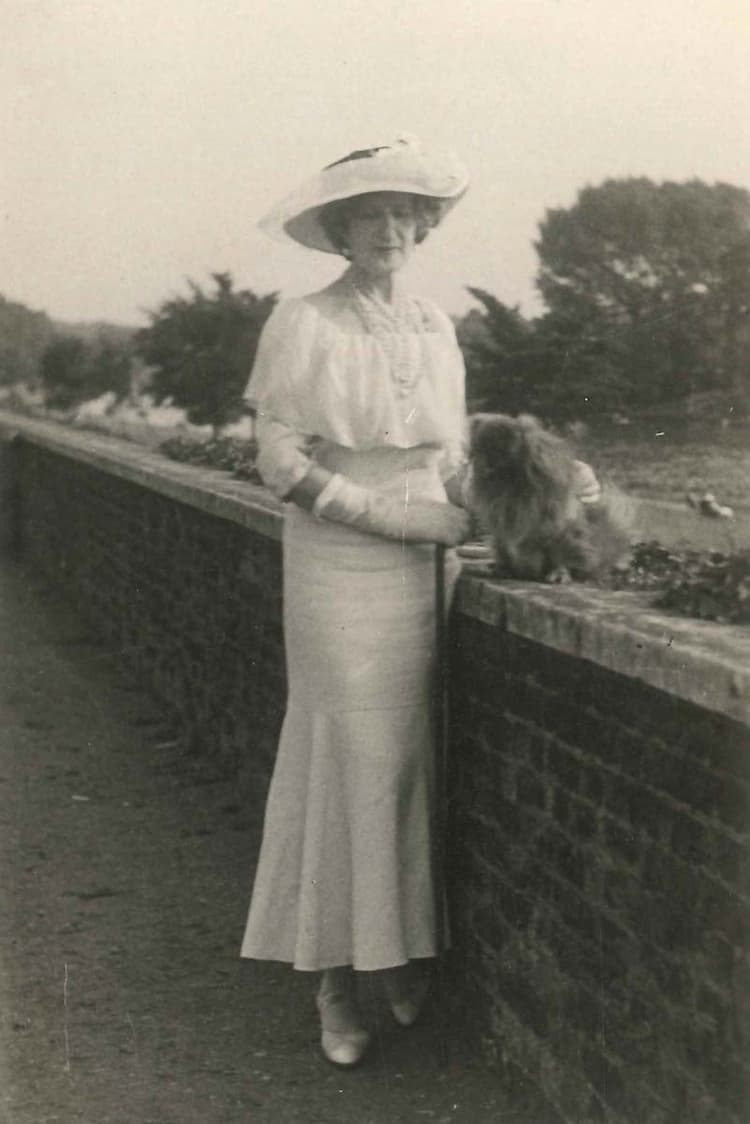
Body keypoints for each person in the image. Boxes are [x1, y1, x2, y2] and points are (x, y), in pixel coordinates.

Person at [239, 137, 472, 1068]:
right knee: (351, 759)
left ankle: (399, 949)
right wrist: (388, 515)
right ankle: (336, 980)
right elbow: (280, 461)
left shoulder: (438, 327)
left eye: (403, 214)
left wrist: (525, 490)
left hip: (425, 573)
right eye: (369, 214)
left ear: (424, 225)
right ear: (340, 229)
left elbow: (447, 458)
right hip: (341, 564)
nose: (389, 229)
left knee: (413, 759)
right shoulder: (305, 323)